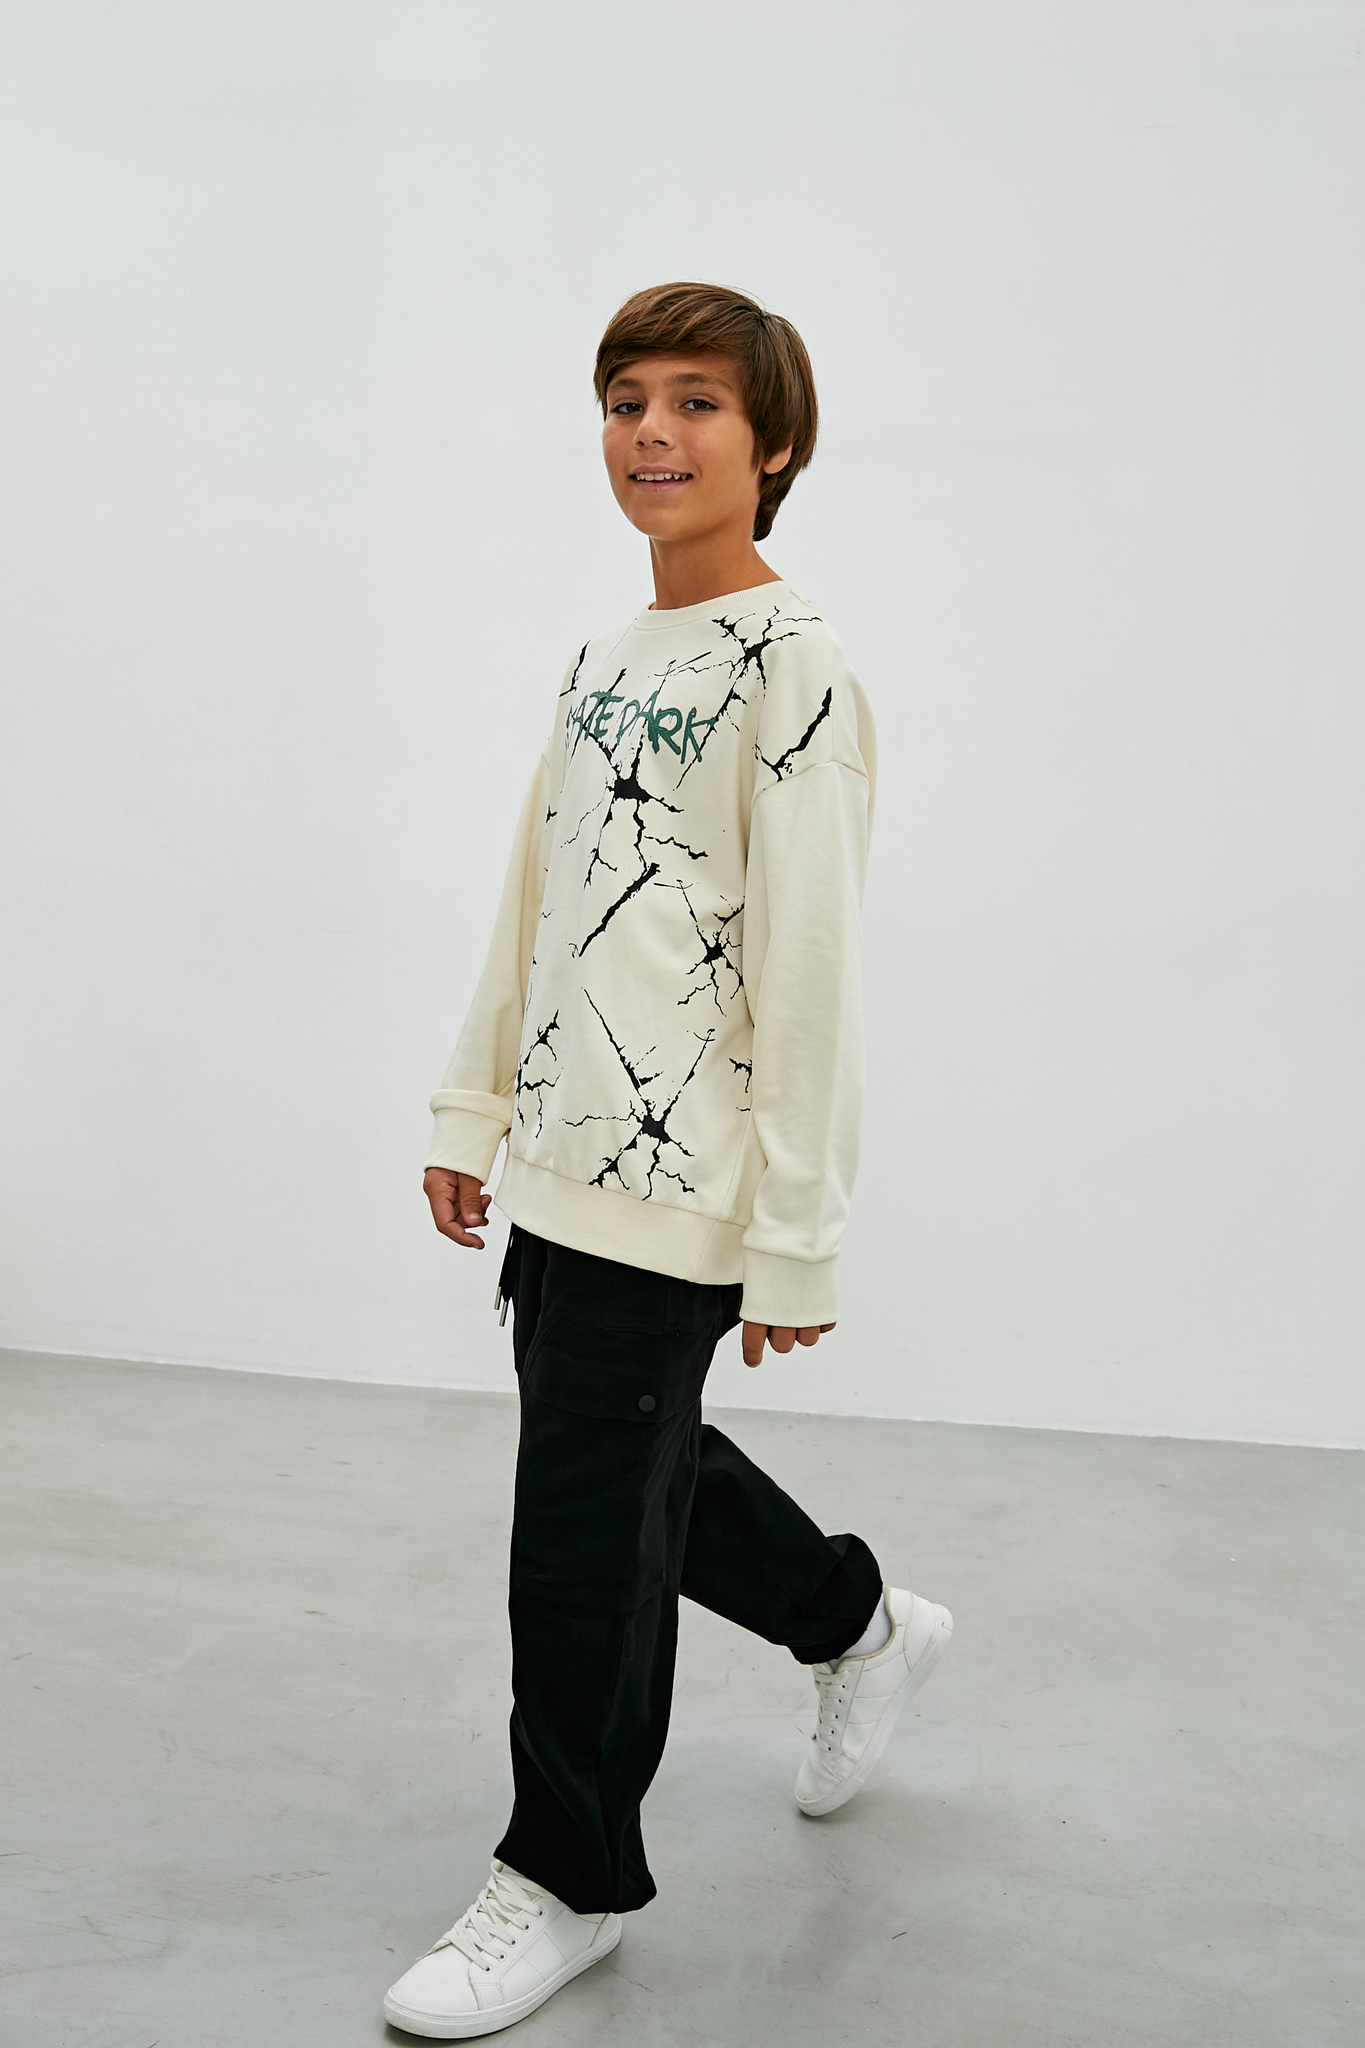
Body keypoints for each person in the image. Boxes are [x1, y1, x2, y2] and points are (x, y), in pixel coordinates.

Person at [384, 282, 952, 2039]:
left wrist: (793, 1234)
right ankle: (858, 1622)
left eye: (697, 401)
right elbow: (535, 898)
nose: (651, 431)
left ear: (771, 446)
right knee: (628, 1471)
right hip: (562, 1156)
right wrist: (472, 1106)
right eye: (627, 397)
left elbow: (811, 966)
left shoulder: (796, 669)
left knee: (575, 1537)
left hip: (684, 1176)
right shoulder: (607, 657)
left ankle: (565, 1881)